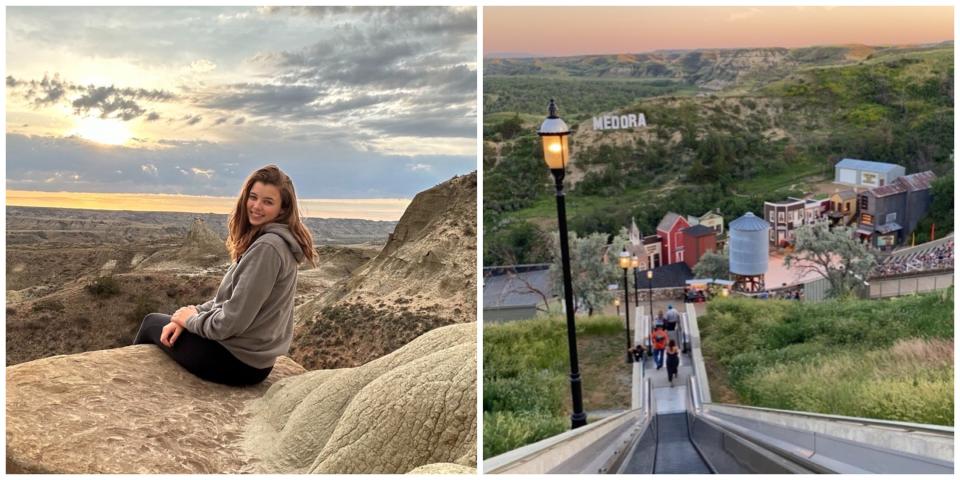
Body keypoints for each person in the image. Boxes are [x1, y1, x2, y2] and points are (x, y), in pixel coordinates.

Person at [133, 165, 317, 386]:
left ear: (281, 209)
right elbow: (229, 301)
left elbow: (230, 322)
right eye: (253, 197)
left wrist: (190, 321)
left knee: (151, 323)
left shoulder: (267, 248)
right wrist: (190, 315)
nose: (257, 206)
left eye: (268, 202)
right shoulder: (270, 243)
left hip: (235, 362)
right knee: (166, 323)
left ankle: (131, 386)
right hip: (250, 360)